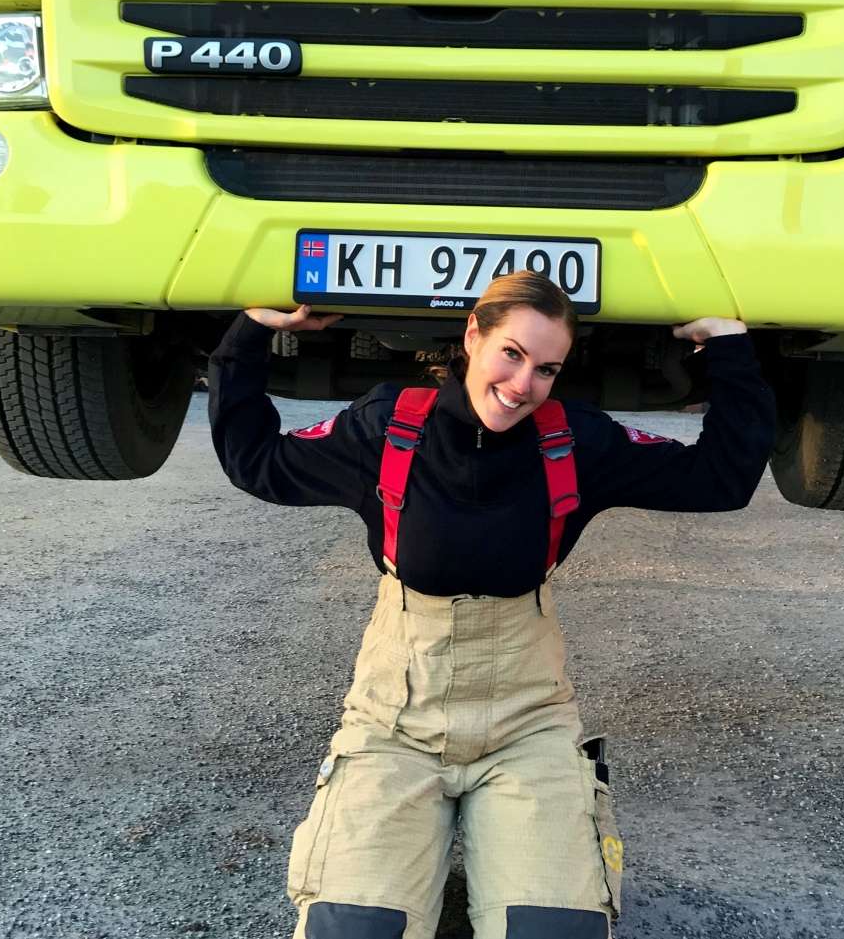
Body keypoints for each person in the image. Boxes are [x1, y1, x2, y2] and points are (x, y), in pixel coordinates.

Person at [209, 270, 776, 939]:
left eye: (546, 369)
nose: (522, 384)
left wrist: (730, 349)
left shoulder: (576, 441)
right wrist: (250, 335)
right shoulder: (388, 427)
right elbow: (256, 459)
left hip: (526, 726)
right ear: (473, 334)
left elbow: (720, 478)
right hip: (394, 725)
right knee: (352, 929)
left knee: (553, 932)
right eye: (512, 353)